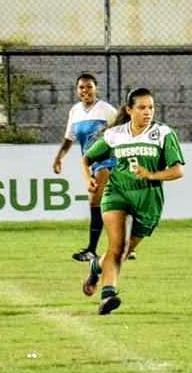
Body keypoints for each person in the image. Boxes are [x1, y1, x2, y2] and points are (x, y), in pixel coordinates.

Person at [82, 88, 184, 315]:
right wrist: (88, 177)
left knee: (124, 251)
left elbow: (178, 170)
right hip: (117, 193)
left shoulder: (163, 133)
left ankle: (96, 266)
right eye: (142, 107)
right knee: (117, 247)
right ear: (129, 110)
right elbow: (87, 157)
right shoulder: (115, 134)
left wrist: (152, 175)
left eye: (151, 107)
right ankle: (108, 296)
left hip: (148, 200)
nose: (147, 112)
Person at [51, 73, 117, 262]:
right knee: (107, 204)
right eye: (81, 87)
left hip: (108, 160)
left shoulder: (106, 110)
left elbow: (122, 128)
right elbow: (68, 139)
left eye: (89, 87)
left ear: (96, 88)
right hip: (90, 162)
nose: (85, 91)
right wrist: (58, 158)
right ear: (77, 90)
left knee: (96, 202)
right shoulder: (75, 111)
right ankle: (123, 243)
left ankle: (91, 250)